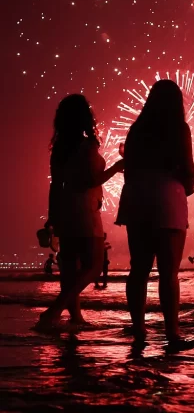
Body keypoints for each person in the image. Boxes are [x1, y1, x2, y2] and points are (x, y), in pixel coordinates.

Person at [115, 79, 194, 347]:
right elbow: (188, 168)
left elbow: (129, 169)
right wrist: (187, 187)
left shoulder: (136, 130)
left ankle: (138, 328)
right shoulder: (178, 128)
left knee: (138, 269)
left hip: (136, 196)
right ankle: (172, 332)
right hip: (166, 197)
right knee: (168, 272)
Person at [36, 94, 124, 329]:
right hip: (85, 211)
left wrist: (52, 217)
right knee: (93, 266)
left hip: (65, 209)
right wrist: (116, 167)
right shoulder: (87, 146)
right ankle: (54, 312)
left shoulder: (59, 149)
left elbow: (55, 185)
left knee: (70, 267)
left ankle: (75, 318)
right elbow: (92, 180)